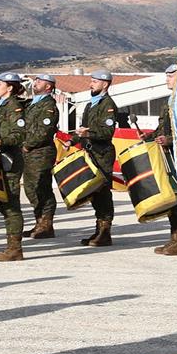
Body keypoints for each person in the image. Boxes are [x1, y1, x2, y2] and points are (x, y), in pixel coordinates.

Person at [143, 65, 177, 255]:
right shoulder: (170, 101)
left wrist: (169, 140)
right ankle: (176, 239)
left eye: (171, 76)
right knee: (173, 199)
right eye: (166, 76)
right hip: (169, 158)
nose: (167, 79)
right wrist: (150, 137)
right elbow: (163, 128)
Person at [0, 73, 28, 262]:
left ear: (10, 87)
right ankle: (11, 246)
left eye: (0, 83)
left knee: (11, 204)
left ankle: (15, 248)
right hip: (1, 158)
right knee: (3, 203)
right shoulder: (2, 105)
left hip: (10, 160)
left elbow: (19, 134)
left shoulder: (14, 107)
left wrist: (1, 142)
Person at [75, 69, 119, 247]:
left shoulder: (108, 105)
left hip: (102, 155)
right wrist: (72, 140)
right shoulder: (91, 104)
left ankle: (105, 232)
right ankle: (98, 229)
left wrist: (88, 132)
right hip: (91, 154)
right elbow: (84, 129)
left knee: (103, 194)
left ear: (105, 84)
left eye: (95, 81)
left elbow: (107, 132)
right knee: (94, 194)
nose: (91, 84)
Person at [23, 74, 60, 239]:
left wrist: (27, 144)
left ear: (48, 87)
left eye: (39, 82)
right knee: (31, 189)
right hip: (29, 152)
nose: (35, 83)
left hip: (41, 152)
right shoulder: (32, 103)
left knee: (41, 187)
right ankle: (39, 222)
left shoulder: (48, 106)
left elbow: (43, 132)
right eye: (35, 81)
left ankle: (46, 224)